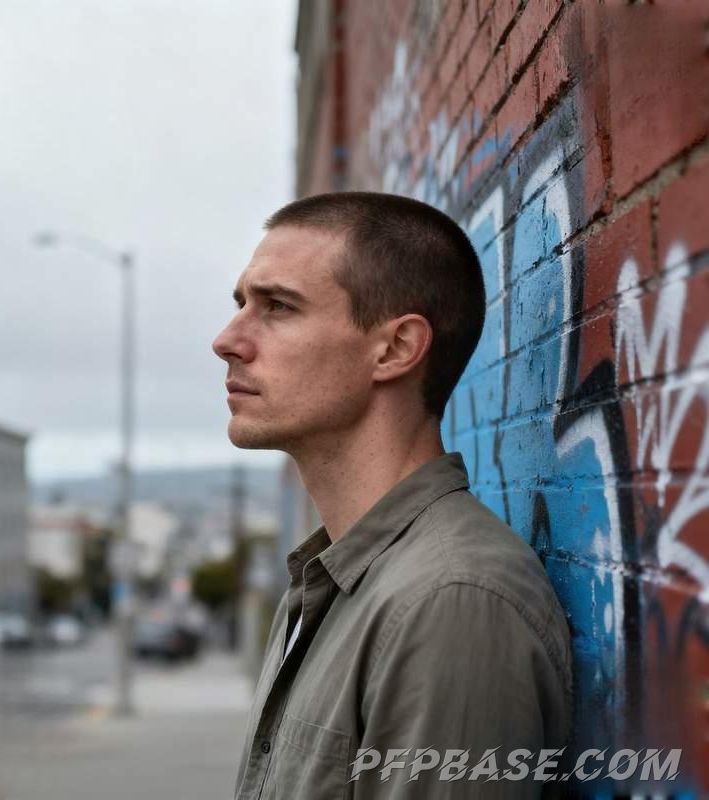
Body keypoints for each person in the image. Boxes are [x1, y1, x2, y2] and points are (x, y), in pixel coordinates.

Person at [212, 192, 572, 798]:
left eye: (277, 306)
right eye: (241, 303)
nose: (227, 339)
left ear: (397, 348)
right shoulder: (325, 585)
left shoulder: (450, 602)